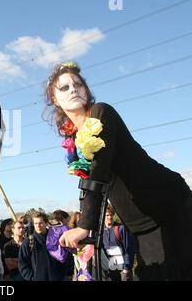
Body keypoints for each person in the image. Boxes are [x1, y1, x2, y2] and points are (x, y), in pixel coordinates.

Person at [44, 61, 192, 280]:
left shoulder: (101, 112)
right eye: (64, 87)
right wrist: (87, 227)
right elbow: (88, 184)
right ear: (55, 99)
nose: (73, 89)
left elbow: (99, 171)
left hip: (169, 207)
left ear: (86, 90)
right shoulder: (74, 139)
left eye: (78, 84)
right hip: (139, 223)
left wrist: (85, 226)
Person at [18, 212, 66, 281]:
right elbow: (22, 264)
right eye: (36, 223)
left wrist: (61, 275)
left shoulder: (55, 240)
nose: (38, 226)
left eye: (40, 223)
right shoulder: (27, 242)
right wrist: (33, 277)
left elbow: (63, 258)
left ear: (46, 223)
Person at [101, 205, 135, 281]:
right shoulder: (100, 231)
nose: (110, 217)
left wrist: (126, 268)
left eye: (111, 215)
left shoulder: (121, 228)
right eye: (107, 215)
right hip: (109, 269)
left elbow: (129, 249)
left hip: (123, 270)